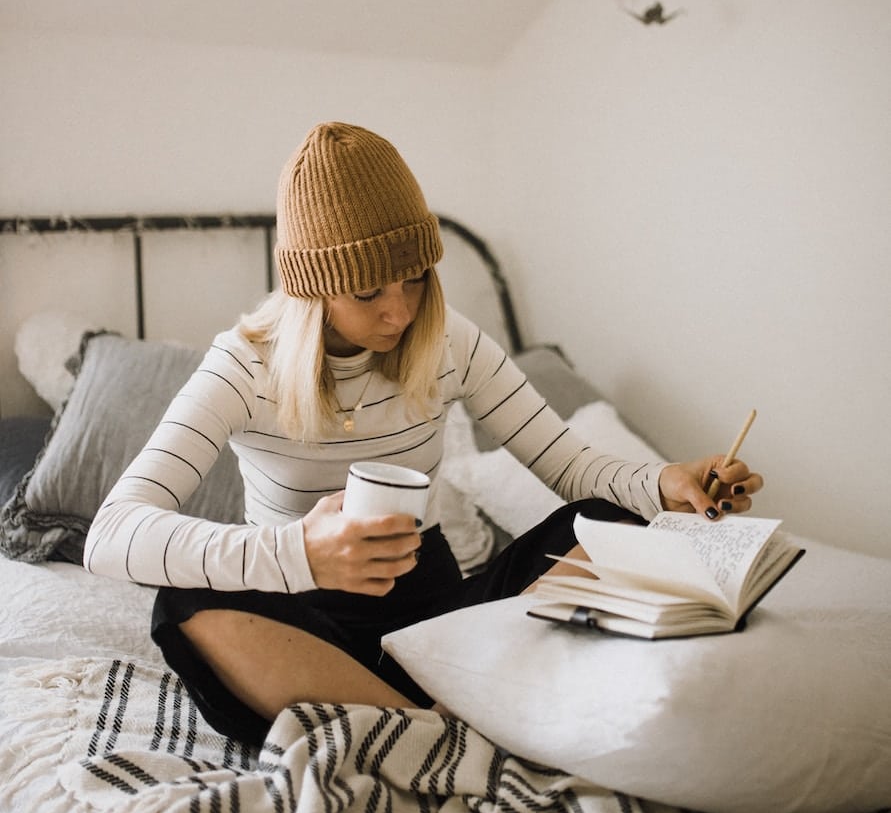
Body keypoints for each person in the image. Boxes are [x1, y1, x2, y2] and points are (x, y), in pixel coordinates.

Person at [84, 122, 764, 747]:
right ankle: (439, 729)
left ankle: (417, 721)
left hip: (444, 627)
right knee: (183, 600)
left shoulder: (448, 342)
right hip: (306, 640)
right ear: (313, 291)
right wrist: (298, 553)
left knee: (605, 520)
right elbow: (111, 535)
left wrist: (660, 482)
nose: (399, 311)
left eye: (414, 280)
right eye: (368, 293)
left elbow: (571, 464)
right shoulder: (243, 366)